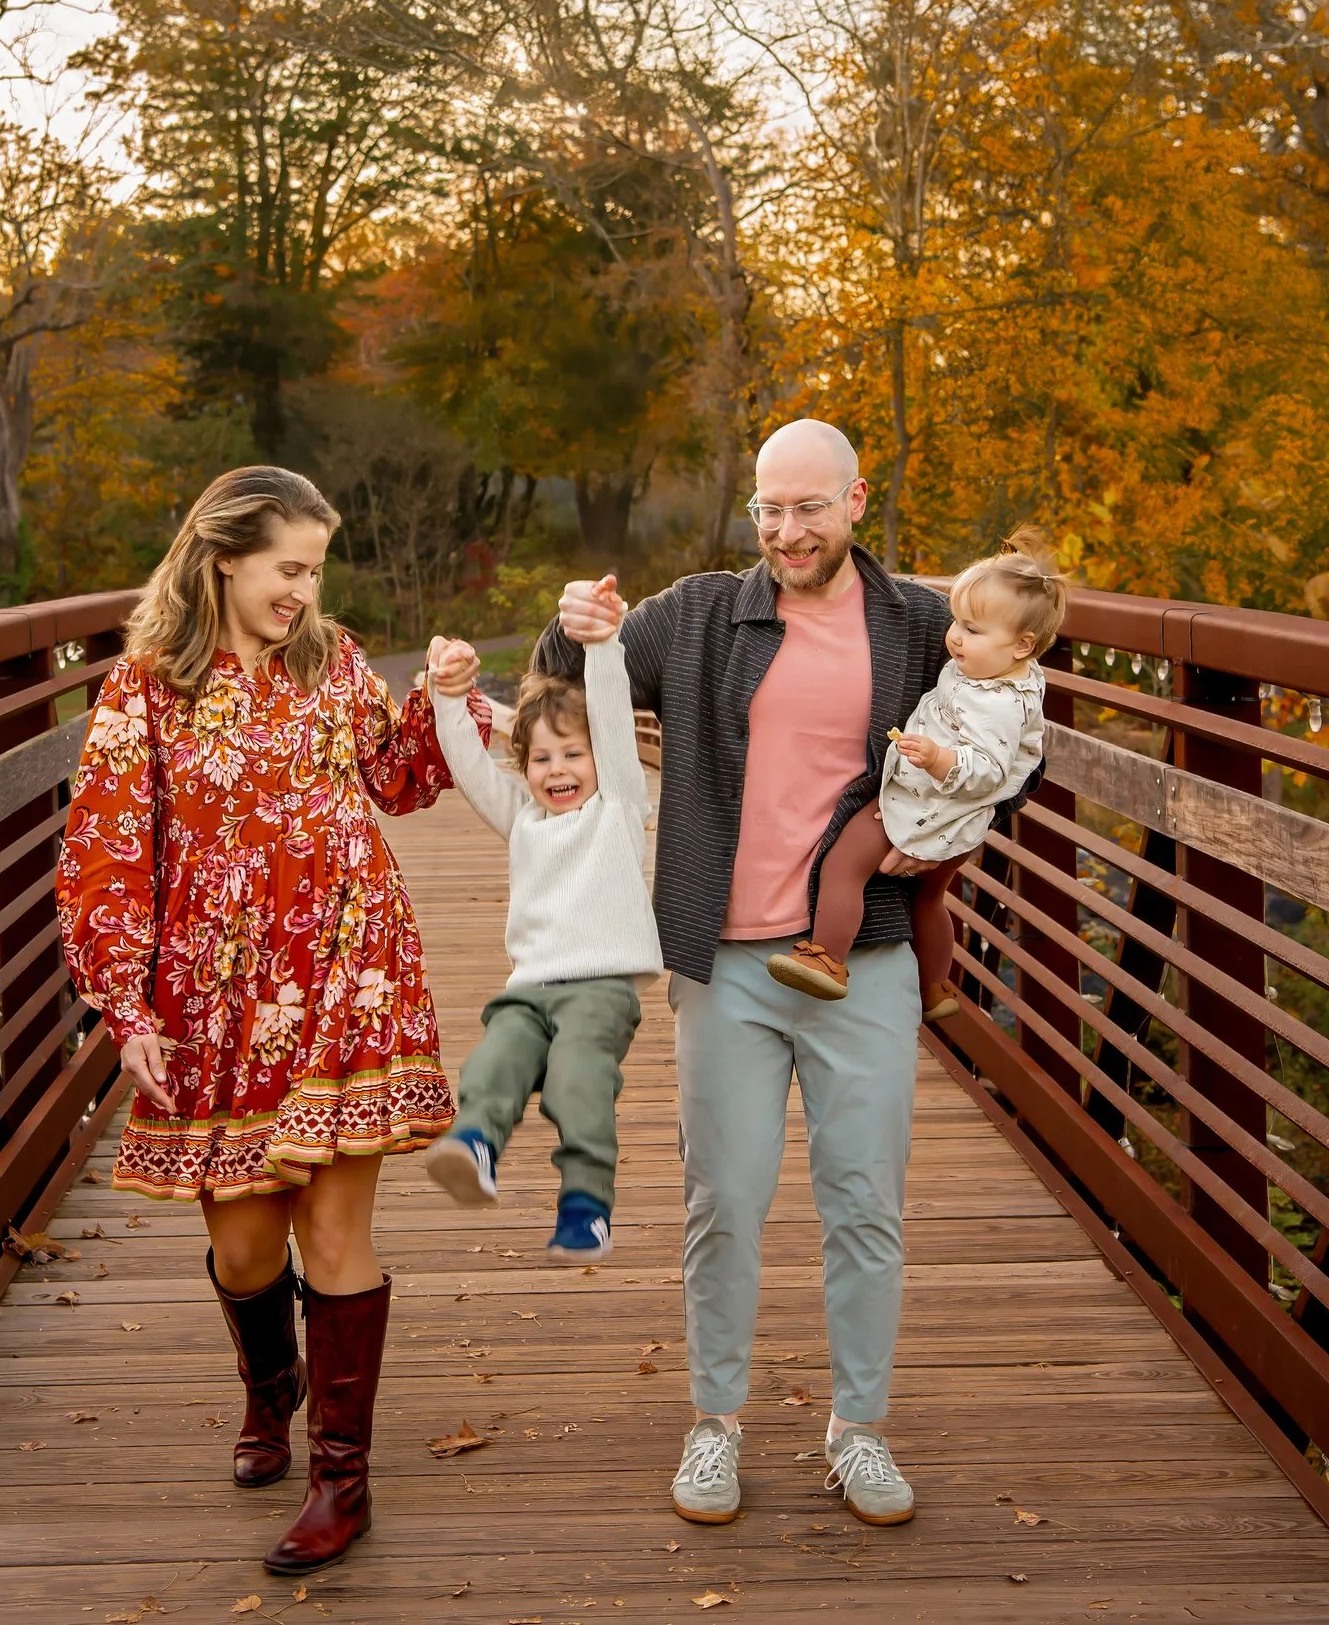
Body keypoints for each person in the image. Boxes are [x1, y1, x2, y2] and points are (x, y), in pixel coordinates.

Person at [534, 418, 1039, 1531]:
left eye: (809, 506)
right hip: (726, 961)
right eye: (769, 507)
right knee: (726, 1200)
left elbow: (1020, 731)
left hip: (867, 958)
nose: (786, 528)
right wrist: (577, 624)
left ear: (857, 503)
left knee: (865, 1203)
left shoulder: (919, 621)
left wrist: (954, 832)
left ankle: (857, 1429)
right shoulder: (707, 611)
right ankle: (714, 1425)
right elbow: (563, 674)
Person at [56, 465, 486, 1576]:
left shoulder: (330, 659)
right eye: (290, 568)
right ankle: (272, 1384)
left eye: (316, 568)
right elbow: (106, 849)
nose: (305, 589)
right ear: (222, 557)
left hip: (350, 965)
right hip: (219, 994)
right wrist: (125, 997)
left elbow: (393, 778)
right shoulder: (145, 686)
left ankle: (341, 1480)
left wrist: (442, 699)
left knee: (335, 1235)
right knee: (245, 1248)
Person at [416, 626, 663, 1262]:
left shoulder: (618, 809)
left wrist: (605, 646)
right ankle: (475, 1143)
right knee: (493, 1062)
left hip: (598, 988)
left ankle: (585, 1204)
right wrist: (448, 697)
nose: (558, 770)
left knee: (577, 1081)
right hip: (530, 987)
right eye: (542, 759)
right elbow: (469, 768)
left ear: (601, 760)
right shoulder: (523, 820)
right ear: (524, 770)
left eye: (573, 755)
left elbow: (610, 718)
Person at [764, 530, 1064, 1018]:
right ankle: (935, 988)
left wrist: (939, 759)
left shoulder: (996, 704)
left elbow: (990, 770)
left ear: (1022, 644)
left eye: (973, 630)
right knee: (929, 899)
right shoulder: (1009, 675)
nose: (956, 638)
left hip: (925, 806)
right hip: (957, 822)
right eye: (958, 622)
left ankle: (826, 960)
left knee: (844, 866)